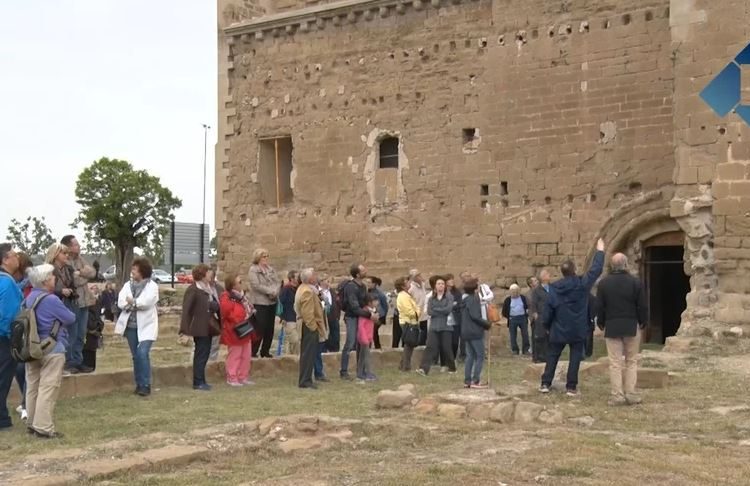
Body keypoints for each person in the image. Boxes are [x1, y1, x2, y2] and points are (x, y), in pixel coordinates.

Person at [539, 238, 606, 396]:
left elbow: (548, 309)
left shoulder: (554, 289)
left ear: (562, 272)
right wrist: (600, 251)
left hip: (559, 327)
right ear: (574, 270)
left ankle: (545, 383)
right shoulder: (582, 285)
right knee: (575, 357)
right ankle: (571, 387)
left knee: (552, 355)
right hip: (577, 328)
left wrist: (547, 325)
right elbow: (595, 270)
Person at [23, 264, 76, 438]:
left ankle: (31, 423)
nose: (55, 279)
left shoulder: (29, 298)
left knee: (32, 387)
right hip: (52, 348)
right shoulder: (51, 300)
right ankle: (43, 427)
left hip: (32, 347)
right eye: (53, 276)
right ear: (46, 280)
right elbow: (70, 318)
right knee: (48, 388)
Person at [597, 253, 648, 406]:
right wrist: (643, 321)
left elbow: (600, 306)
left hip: (612, 325)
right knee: (632, 361)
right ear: (626, 265)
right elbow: (642, 304)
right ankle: (631, 393)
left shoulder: (604, 283)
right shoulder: (635, 282)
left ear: (612, 266)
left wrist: (601, 322)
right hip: (631, 324)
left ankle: (617, 395)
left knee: (615, 362)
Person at [115, 257, 159, 397]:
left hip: (147, 326)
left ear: (142, 270)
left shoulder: (152, 286)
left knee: (142, 353)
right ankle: (139, 384)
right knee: (136, 356)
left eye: (135, 269)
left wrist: (133, 302)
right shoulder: (128, 285)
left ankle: (146, 384)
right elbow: (121, 301)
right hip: (131, 326)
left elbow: (147, 302)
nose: (132, 271)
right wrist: (132, 303)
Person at [180, 264, 221, 391]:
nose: (210, 274)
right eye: (208, 272)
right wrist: (184, 330)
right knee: (201, 354)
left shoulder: (208, 288)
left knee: (205, 353)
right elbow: (187, 310)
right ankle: (197, 382)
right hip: (199, 327)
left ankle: (202, 380)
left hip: (208, 326)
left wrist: (214, 305)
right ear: (202, 274)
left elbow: (213, 304)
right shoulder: (194, 289)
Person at [60, 235, 96, 375]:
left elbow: (92, 272)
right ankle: (70, 362)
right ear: (68, 247)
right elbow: (73, 281)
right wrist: (83, 277)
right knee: (72, 334)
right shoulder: (65, 262)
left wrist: (81, 273)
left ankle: (78, 360)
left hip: (85, 303)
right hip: (73, 303)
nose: (78, 246)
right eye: (75, 244)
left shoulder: (80, 259)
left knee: (81, 334)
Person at [44, 243, 78, 375]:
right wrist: (60, 291)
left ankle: (65, 363)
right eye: (63, 253)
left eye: (67, 253)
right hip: (53, 302)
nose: (66, 256)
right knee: (55, 332)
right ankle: (58, 366)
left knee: (68, 334)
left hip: (67, 302)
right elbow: (45, 287)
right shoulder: (48, 269)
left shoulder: (68, 269)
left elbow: (73, 285)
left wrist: (71, 291)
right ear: (55, 254)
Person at [0, 243, 23, 431]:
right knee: (3, 378)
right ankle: (1, 419)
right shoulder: (6, 282)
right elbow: (7, 315)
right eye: (14, 255)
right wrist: (13, 339)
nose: (18, 258)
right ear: (5, 259)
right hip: (4, 338)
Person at [340, 264, 375, 380]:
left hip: (361, 317)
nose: (366, 271)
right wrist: (369, 315)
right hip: (352, 318)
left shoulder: (363, 286)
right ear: (357, 274)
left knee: (363, 344)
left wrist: (372, 311)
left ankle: (361, 371)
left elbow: (365, 302)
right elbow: (354, 306)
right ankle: (343, 371)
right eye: (363, 270)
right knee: (350, 343)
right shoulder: (351, 287)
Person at [219, 273, 255, 386]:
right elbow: (225, 312)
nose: (241, 284)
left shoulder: (241, 296)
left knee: (246, 354)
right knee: (235, 355)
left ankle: (242, 376)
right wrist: (238, 316)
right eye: (239, 282)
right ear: (233, 285)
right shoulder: (226, 296)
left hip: (245, 328)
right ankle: (232, 377)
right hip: (234, 329)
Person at [417, 277, 456, 376]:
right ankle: (424, 369)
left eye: (442, 284)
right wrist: (441, 310)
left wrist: (437, 310)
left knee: (446, 348)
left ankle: (452, 367)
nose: (441, 285)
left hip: (446, 326)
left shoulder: (449, 297)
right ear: (435, 286)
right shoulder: (431, 298)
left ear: (445, 286)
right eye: (438, 284)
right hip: (434, 326)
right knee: (430, 347)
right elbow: (430, 311)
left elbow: (448, 310)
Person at [295, 268, 325, 389]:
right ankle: (305, 380)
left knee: (308, 353)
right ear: (310, 278)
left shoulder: (304, 289)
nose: (316, 276)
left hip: (306, 326)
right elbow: (307, 313)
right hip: (308, 327)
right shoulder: (307, 291)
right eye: (314, 274)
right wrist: (313, 327)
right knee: (308, 353)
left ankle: (306, 379)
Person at [11, 252, 33, 422]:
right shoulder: (11, 281)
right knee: (18, 368)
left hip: (26, 327)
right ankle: (25, 401)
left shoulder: (29, 282)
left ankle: (27, 404)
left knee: (24, 368)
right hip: (14, 328)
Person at [247, 248, 279, 358]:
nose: (266, 258)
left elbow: (277, 282)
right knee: (260, 327)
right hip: (260, 302)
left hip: (271, 301)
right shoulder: (253, 270)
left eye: (267, 256)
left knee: (270, 328)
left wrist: (275, 291)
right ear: (258, 258)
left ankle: (265, 351)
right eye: (263, 256)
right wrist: (269, 291)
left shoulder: (271, 269)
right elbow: (256, 285)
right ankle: (253, 351)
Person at [461, 278, 491, 388]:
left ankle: (467, 380)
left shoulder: (464, 299)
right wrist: (486, 324)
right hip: (474, 331)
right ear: (474, 289)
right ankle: (475, 380)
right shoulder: (473, 299)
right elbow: (475, 316)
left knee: (470, 356)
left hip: (466, 331)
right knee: (480, 355)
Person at [395, 277, 420, 372]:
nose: (409, 283)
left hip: (410, 322)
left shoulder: (406, 295)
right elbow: (410, 311)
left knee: (409, 344)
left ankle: (403, 365)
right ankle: (406, 366)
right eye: (406, 282)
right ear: (402, 286)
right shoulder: (403, 296)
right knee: (409, 345)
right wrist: (418, 311)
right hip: (408, 322)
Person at [501, 284, 531, 355]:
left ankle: (526, 349)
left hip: (522, 318)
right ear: (510, 292)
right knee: (513, 335)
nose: (515, 293)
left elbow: (527, 307)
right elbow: (504, 311)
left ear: (519, 291)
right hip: (512, 319)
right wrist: (509, 317)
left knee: (525, 334)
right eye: (513, 291)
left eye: (516, 291)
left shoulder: (523, 298)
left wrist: (527, 313)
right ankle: (515, 350)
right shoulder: (508, 300)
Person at [529, 270, 551, 364]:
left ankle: (549, 356)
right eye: (547, 274)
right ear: (542, 277)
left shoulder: (552, 288)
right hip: (540, 316)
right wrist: (535, 314)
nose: (549, 275)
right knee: (540, 337)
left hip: (550, 316)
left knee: (549, 337)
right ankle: (539, 357)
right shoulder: (536, 291)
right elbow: (533, 303)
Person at [356, 294, 378, 383]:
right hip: (364, 338)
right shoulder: (365, 312)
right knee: (367, 357)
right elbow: (361, 326)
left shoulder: (372, 311)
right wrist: (365, 339)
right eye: (375, 301)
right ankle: (369, 374)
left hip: (368, 337)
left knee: (362, 356)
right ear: (369, 303)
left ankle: (360, 373)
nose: (377, 303)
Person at [315, 276, 332, 382]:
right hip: (314, 324)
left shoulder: (320, 294)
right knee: (315, 350)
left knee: (319, 349)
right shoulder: (308, 292)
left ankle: (319, 372)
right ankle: (317, 372)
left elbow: (327, 305)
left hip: (322, 323)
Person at [279, 270, 300, 355]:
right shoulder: (286, 289)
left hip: (297, 318)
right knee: (295, 340)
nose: (298, 279)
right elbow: (280, 304)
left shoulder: (298, 289)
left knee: (292, 342)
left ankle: (291, 359)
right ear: (291, 278)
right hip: (289, 319)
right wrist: (282, 317)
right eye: (296, 277)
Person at [207, 266, 224, 363]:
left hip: (217, 320)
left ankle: (211, 365)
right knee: (201, 347)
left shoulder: (219, 288)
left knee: (215, 345)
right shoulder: (200, 288)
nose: (211, 279)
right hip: (204, 320)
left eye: (212, 277)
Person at [408, 269, 428, 346]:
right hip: (416, 316)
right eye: (418, 276)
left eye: (420, 274)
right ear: (414, 278)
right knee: (417, 338)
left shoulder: (422, 285)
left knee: (424, 336)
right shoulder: (411, 288)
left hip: (424, 315)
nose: (420, 277)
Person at [445, 274, 463, 361]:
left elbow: (460, 304)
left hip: (456, 320)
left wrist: (452, 305)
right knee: (446, 341)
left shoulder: (457, 292)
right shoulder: (443, 292)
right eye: (449, 279)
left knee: (455, 341)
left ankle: (453, 358)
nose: (452, 281)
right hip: (445, 320)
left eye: (452, 279)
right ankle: (446, 359)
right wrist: (452, 304)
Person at [323, 276, 341, 353]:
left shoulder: (332, 291)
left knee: (335, 333)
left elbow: (337, 303)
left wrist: (338, 315)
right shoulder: (318, 292)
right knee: (325, 334)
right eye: (327, 281)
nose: (329, 283)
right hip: (324, 316)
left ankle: (335, 349)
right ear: (322, 281)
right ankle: (325, 348)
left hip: (334, 315)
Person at [369, 277, 388, 350]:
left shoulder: (380, 294)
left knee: (374, 330)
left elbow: (385, 306)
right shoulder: (366, 292)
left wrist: (382, 315)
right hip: (371, 315)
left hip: (379, 315)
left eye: (369, 282)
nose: (368, 284)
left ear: (374, 284)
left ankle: (377, 346)